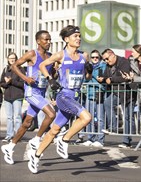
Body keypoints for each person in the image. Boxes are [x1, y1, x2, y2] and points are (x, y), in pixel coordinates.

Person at [27, 25, 92, 174]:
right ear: (66, 39)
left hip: (74, 96)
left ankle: (35, 156)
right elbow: (43, 65)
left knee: (54, 130)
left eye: (79, 36)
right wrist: (50, 79)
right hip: (63, 96)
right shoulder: (60, 55)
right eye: (75, 36)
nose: (79, 39)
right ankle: (64, 139)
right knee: (86, 117)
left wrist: (89, 71)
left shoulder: (84, 56)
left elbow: (87, 78)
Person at [1, 30, 57, 165]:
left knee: (26, 123)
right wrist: (25, 78)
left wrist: (55, 71)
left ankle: (9, 147)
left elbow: (51, 74)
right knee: (51, 114)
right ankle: (36, 139)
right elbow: (14, 66)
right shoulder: (32, 54)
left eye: (50, 40)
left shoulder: (50, 56)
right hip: (32, 93)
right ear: (38, 41)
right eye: (46, 40)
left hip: (41, 93)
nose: (49, 42)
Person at [101, 48, 136, 148]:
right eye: (104, 60)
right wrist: (102, 79)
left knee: (127, 116)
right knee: (108, 103)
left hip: (127, 92)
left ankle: (127, 140)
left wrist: (111, 79)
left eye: (107, 59)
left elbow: (125, 77)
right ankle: (113, 127)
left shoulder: (124, 62)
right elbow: (105, 76)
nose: (106, 61)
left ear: (112, 55)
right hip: (117, 92)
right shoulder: (108, 65)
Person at [121, 44, 141, 146]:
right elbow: (136, 77)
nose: (131, 54)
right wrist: (129, 77)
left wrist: (134, 78)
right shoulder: (134, 63)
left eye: (133, 52)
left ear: (139, 52)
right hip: (140, 93)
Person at [82, 49, 106, 148]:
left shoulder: (103, 66)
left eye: (97, 57)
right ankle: (90, 138)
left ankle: (100, 140)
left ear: (99, 58)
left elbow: (102, 79)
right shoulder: (88, 66)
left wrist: (93, 75)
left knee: (100, 118)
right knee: (89, 118)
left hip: (99, 93)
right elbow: (85, 79)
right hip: (89, 93)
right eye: (93, 57)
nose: (95, 59)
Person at [0, 52, 25, 142]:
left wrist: (11, 81)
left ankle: (17, 136)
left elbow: (23, 84)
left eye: (14, 58)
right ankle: (9, 135)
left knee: (17, 117)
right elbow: (1, 83)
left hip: (17, 96)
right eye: (10, 58)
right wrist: (6, 83)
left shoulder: (20, 69)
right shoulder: (6, 69)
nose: (12, 60)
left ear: (16, 59)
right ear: (8, 59)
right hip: (7, 97)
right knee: (9, 117)